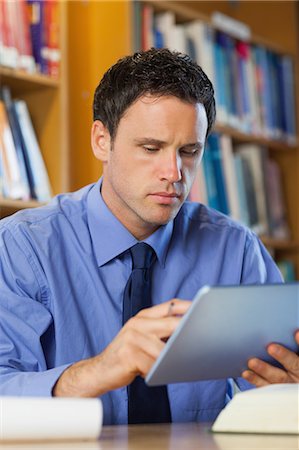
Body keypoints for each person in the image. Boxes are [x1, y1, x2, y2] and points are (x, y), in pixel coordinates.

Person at [0, 48, 298, 425]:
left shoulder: (235, 249)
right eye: (151, 148)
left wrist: (289, 394)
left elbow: (272, 394)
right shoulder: (20, 247)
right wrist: (100, 369)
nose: (174, 173)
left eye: (189, 151)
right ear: (101, 141)